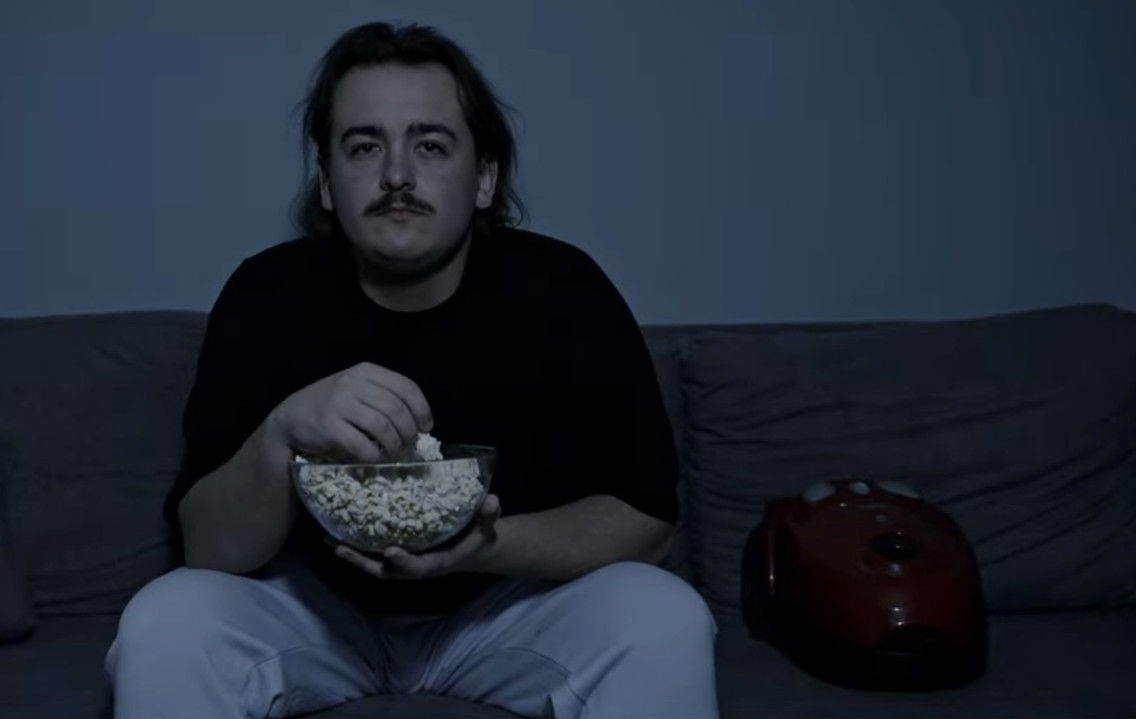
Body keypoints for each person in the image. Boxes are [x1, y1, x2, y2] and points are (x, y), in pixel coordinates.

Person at [104, 21, 718, 719]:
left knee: (662, 614)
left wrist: (478, 547)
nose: (396, 175)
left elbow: (646, 523)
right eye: (364, 146)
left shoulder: (562, 289)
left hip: (504, 609)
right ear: (327, 182)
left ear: (483, 178)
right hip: (315, 614)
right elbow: (206, 547)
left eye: (430, 145)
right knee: (165, 619)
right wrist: (281, 435)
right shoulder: (265, 295)